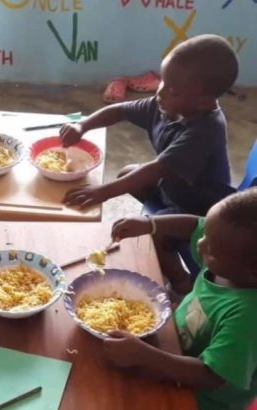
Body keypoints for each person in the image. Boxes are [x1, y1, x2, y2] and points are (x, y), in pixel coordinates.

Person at [105, 188, 257, 410]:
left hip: (204, 399)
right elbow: (196, 224)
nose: (200, 244)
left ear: (252, 273)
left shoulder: (247, 316)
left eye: (210, 249)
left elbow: (211, 376)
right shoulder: (229, 259)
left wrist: (145, 356)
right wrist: (151, 225)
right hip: (174, 346)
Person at [61, 34, 239, 294]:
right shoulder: (170, 105)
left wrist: (101, 192)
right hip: (174, 191)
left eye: (173, 89)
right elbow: (119, 110)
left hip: (199, 211)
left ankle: (179, 283)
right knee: (128, 172)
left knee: (152, 229)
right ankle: (164, 243)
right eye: (163, 81)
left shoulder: (205, 129)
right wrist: (82, 125)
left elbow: (157, 169)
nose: (161, 92)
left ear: (204, 101)